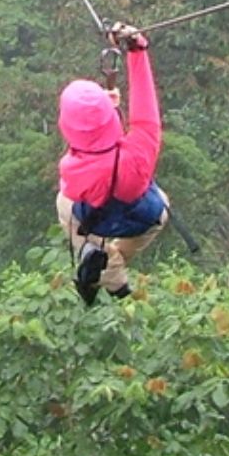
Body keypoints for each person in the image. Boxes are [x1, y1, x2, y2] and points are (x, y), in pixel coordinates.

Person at [57, 22, 168, 305]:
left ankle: (106, 269)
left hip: (98, 220)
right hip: (142, 219)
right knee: (161, 205)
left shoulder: (71, 168)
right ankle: (112, 268)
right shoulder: (139, 155)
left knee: (64, 203)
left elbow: (86, 145)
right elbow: (145, 112)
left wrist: (106, 112)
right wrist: (137, 50)